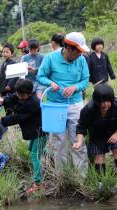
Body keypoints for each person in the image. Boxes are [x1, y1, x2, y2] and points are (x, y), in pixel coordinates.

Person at [37, 32, 90, 175]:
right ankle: (63, 176)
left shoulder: (81, 60)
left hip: (75, 104)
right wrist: (51, 83)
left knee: (78, 139)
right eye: (78, 51)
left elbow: (85, 80)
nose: (80, 54)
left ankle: (82, 176)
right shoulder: (50, 58)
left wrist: (75, 87)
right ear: (69, 48)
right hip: (55, 106)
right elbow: (40, 76)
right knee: (58, 142)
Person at [74, 84, 117, 180]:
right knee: (99, 156)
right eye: (101, 102)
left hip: (116, 130)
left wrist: (116, 134)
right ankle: (101, 182)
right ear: (96, 101)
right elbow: (81, 127)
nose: (105, 104)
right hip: (97, 134)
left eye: (107, 101)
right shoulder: (88, 110)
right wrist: (79, 142)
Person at [0, 79, 47, 193]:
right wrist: (2, 100)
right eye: (18, 93)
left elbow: (17, 117)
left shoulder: (33, 103)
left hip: (40, 133)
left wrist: (0, 119)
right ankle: (46, 159)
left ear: (29, 93)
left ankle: (38, 182)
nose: (19, 96)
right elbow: (13, 98)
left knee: (35, 155)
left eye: (21, 95)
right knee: (33, 151)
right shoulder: (24, 96)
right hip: (35, 132)